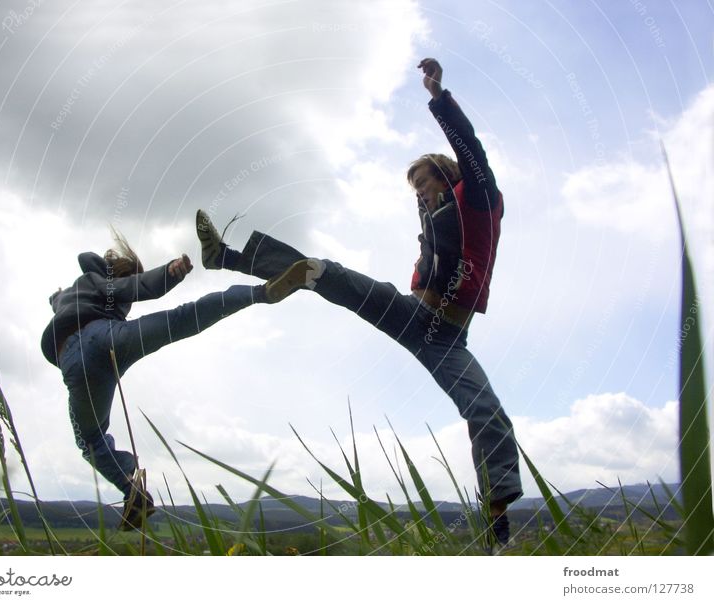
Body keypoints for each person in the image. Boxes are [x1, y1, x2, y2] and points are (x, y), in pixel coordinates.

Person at [195, 57, 521, 549]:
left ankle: (497, 526)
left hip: (448, 339)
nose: (419, 195)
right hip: (413, 314)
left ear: (445, 174)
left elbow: (471, 151)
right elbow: (431, 259)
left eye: (423, 184)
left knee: (486, 410)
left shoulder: (479, 200)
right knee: (326, 274)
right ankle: (228, 257)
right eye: (414, 190)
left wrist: (438, 97)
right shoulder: (433, 220)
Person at [41, 230, 287, 530]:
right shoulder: (102, 283)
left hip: (74, 367)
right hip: (104, 340)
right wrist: (170, 274)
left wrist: (56, 297)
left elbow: (62, 300)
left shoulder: (72, 293)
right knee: (182, 319)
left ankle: (132, 491)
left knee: (89, 440)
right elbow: (135, 286)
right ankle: (260, 293)